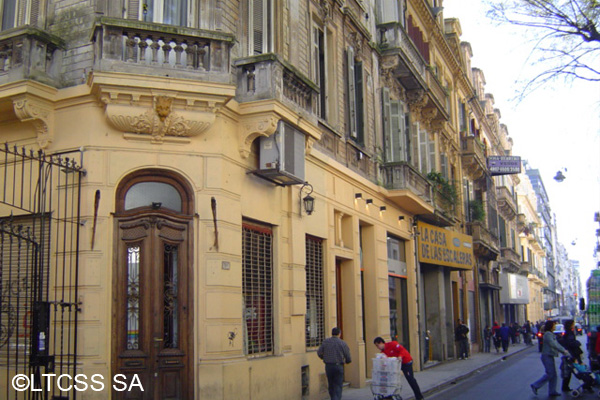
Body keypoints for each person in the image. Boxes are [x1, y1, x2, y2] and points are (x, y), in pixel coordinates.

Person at [531, 320, 570, 397]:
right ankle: (535, 385)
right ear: (550, 326)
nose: (555, 326)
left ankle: (552, 391)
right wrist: (563, 351)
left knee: (554, 375)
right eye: (554, 325)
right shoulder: (548, 334)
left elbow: (556, 343)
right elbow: (553, 344)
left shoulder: (551, 334)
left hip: (550, 355)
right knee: (550, 374)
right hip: (546, 356)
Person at [318, 327, 352, 400]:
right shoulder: (342, 343)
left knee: (331, 384)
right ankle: (336, 398)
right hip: (338, 366)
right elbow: (347, 355)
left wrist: (324, 358)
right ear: (339, 334)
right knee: (338, 385)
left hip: (329, 365)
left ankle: (333, 397)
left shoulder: (326, 342)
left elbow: (319, 352)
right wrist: (348, 361)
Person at [560, 319, 583, 392]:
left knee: (569, 371)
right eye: (573, 324)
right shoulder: (570, 333)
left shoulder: (568, 333)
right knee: (574, 370)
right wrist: (577, 343)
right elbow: (571, 343)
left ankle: (565, 386)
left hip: (570, 353)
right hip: (572, 353)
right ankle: (565, 386)